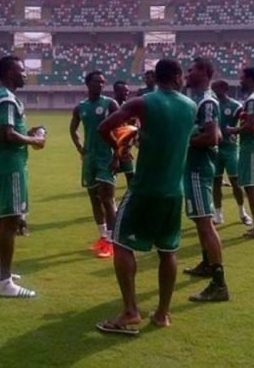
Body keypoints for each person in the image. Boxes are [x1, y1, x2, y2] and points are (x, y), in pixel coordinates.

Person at [95, 59, 196, 335]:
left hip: (144, 189)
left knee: (120, 242)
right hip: (174, 191)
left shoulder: (143, 102)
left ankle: (130, 311)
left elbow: (104, 128)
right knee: (168, 251)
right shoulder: (191, 107)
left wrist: (121, 148)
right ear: (176, 77)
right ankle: (162, 314)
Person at [0, 55, 45, 298]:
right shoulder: (7, 98)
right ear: (9, 72)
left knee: (1, 216)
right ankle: (6, 283)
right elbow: (8, 134)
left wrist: (28, 132)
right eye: (21, 70)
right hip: (11, 164)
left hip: (3, 162)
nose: (25, 74)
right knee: (11, 221)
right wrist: (35, 140)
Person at [180, 58, 230, 302]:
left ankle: (219, 284)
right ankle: (206, 263)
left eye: (191, 69)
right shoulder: (198, 100)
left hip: (199, 169)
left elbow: (212, 138)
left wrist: (181, 143)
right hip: (192, 168)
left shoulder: (207, 101)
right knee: (199, 222)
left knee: (205, 222)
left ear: (203, 72)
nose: (187, 73)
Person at [70, 71, 119, 259]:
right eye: (97, 82)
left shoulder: (110, 104)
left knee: (107, 199)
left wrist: (117, 156)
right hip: (89, 159)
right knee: (94, 198)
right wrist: (80, 148)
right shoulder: (80, 107)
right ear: (88, 83)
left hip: (106, 156)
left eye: (103, 82)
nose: (101, 85)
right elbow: (73, 129)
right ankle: (103, 237)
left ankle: (113, 242)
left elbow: (122, 129)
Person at [227, 67, 254, 240]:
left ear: (250, 79)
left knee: (251, 188)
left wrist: (233, 130)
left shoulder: (253, 100)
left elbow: (251, 126)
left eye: (242, 78)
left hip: (250, 147)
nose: (240, 81)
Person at [211, 79, 252, 227]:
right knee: (216, 182)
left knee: (235, 182)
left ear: (223, 88)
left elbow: (245, 121)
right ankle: (218, 215)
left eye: (215, 87)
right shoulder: (211, 104)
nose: (212, 90)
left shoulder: (235, 106)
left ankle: (242, 213)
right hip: (215, 149)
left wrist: (236, 131)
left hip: (230, 148)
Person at [112, 80, 135, 185]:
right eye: (124, 91)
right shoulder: (110, 107)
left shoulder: (128, 107)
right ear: (116, 92)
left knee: (131, 176)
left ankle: (131, 200)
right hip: (112, 149)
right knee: (111, 178)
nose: (127, 93)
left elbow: (131, 126)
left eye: (127, 90)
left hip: (124, 149)